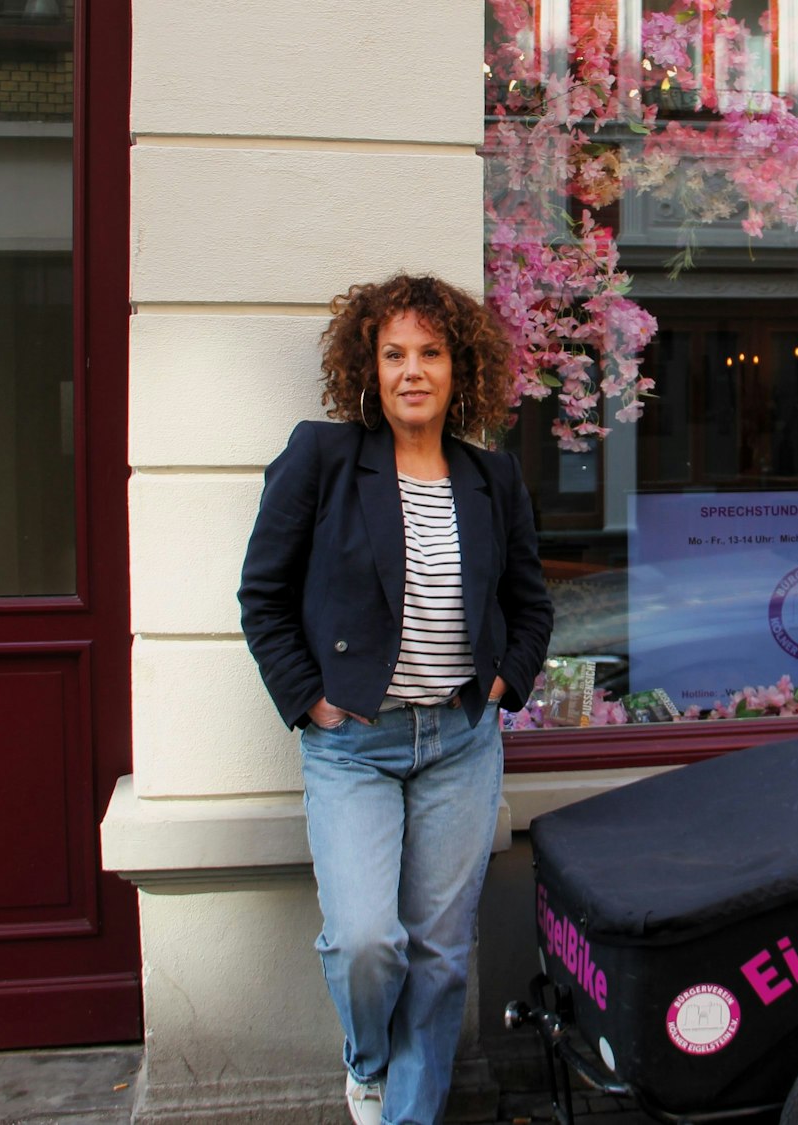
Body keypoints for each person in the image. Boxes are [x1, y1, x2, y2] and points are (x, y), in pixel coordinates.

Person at [238, 274, 554, 1125]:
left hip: (459, 744)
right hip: (354, 747)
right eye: (394, 354)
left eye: (431, 353)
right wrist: (309, 700)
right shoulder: (323, 459)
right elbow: (263, 596)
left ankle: (409, 1115)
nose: (413, 370)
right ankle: (369, 1063)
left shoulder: (493, 478)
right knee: (367, 942)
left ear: (460, 370)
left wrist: (502, 683)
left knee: (442, 953)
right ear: (368, 369)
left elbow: (530, 606)